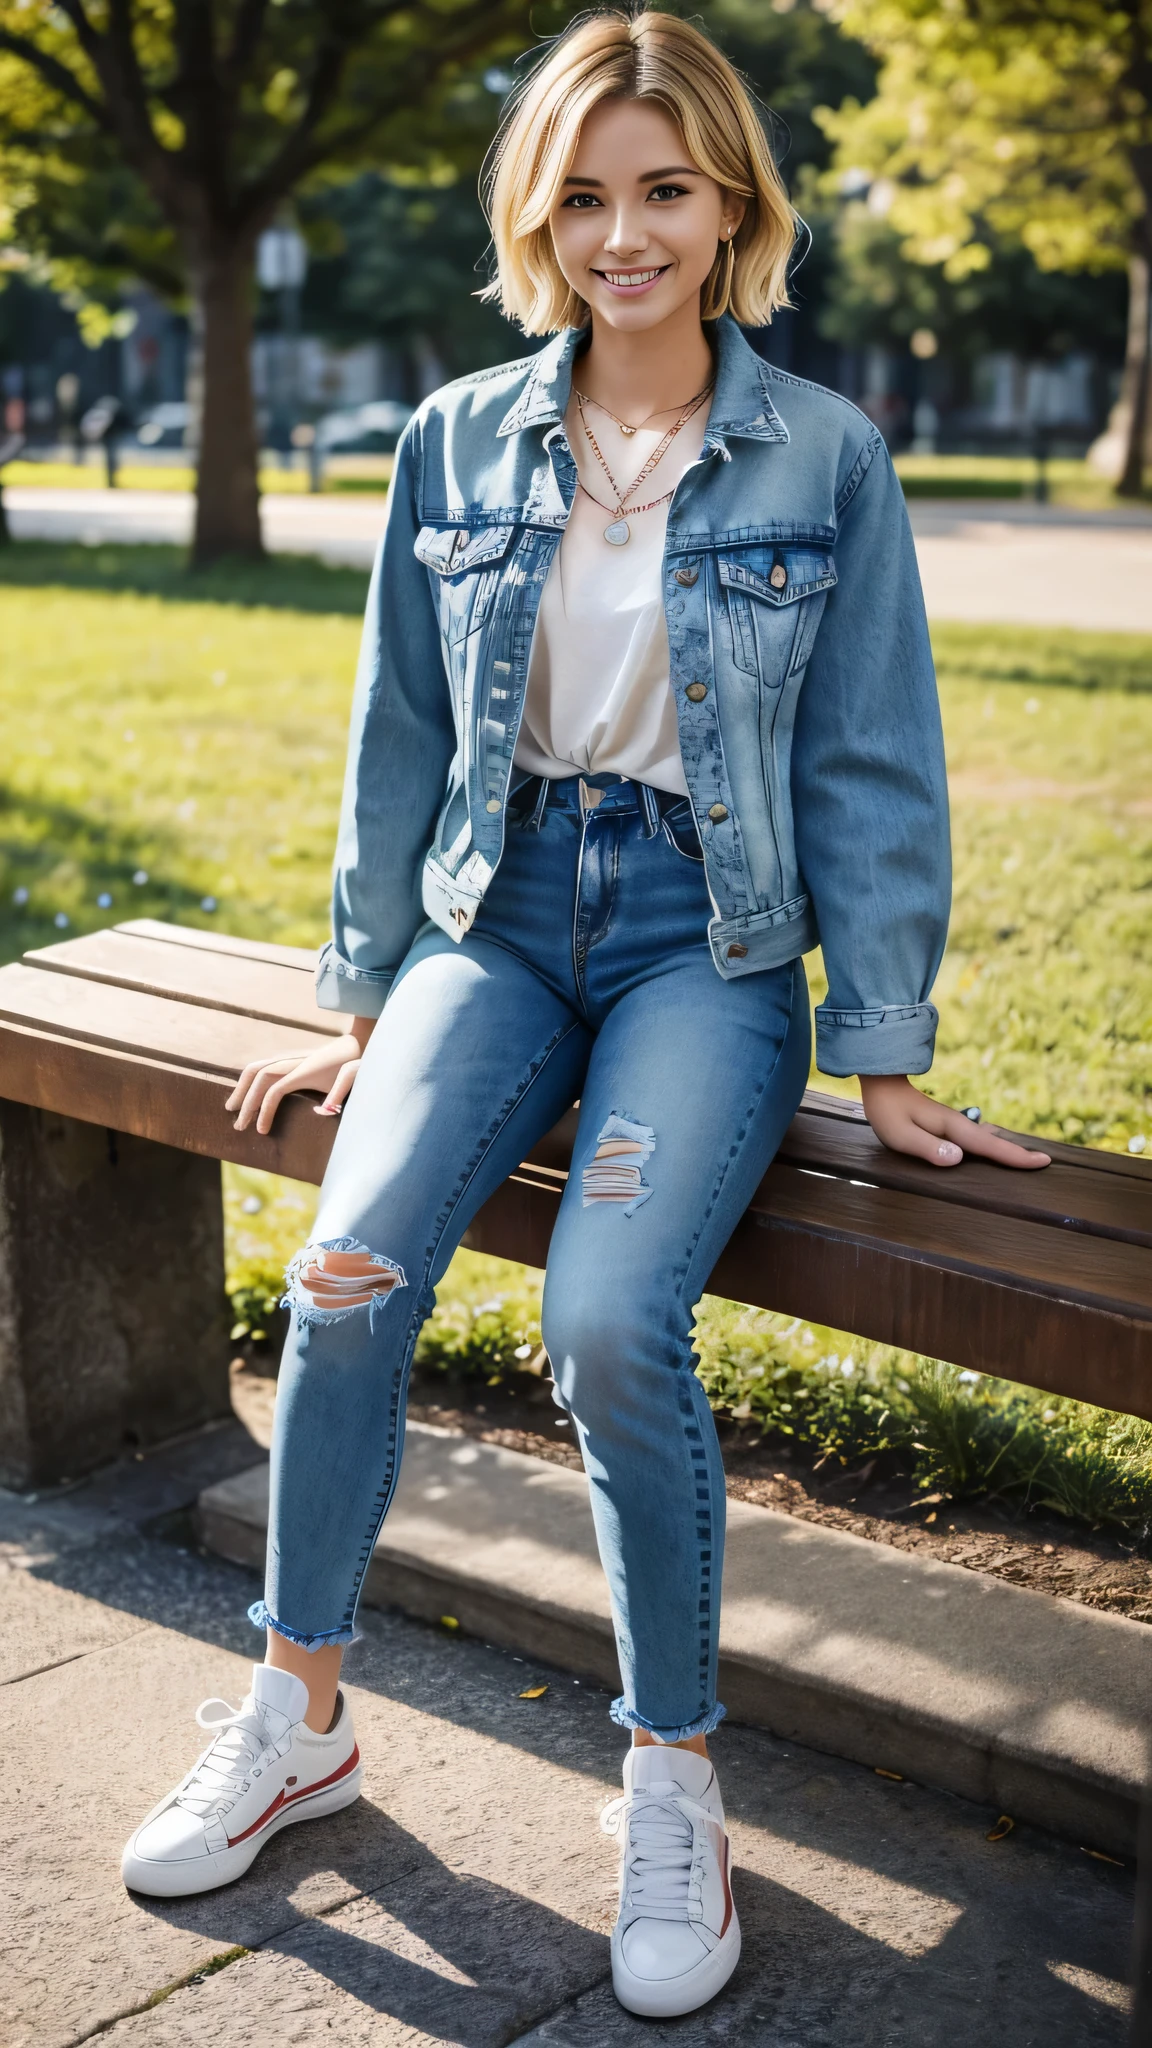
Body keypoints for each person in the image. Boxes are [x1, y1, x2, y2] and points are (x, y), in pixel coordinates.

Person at [121, 8, 1050, 2018]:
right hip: (498, 914)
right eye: (586, 196)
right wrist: (367, 1002)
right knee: (352, 1263)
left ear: (731, 208)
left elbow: (877, 759)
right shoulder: (456, 436)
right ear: (540, 215)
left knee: (614, 1319)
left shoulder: (826, 451)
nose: (625, 233)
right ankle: (300, 1709)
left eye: (666, 192)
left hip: (705, 947)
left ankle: (674, 1778)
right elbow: (399, 730)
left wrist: (881, 1048)